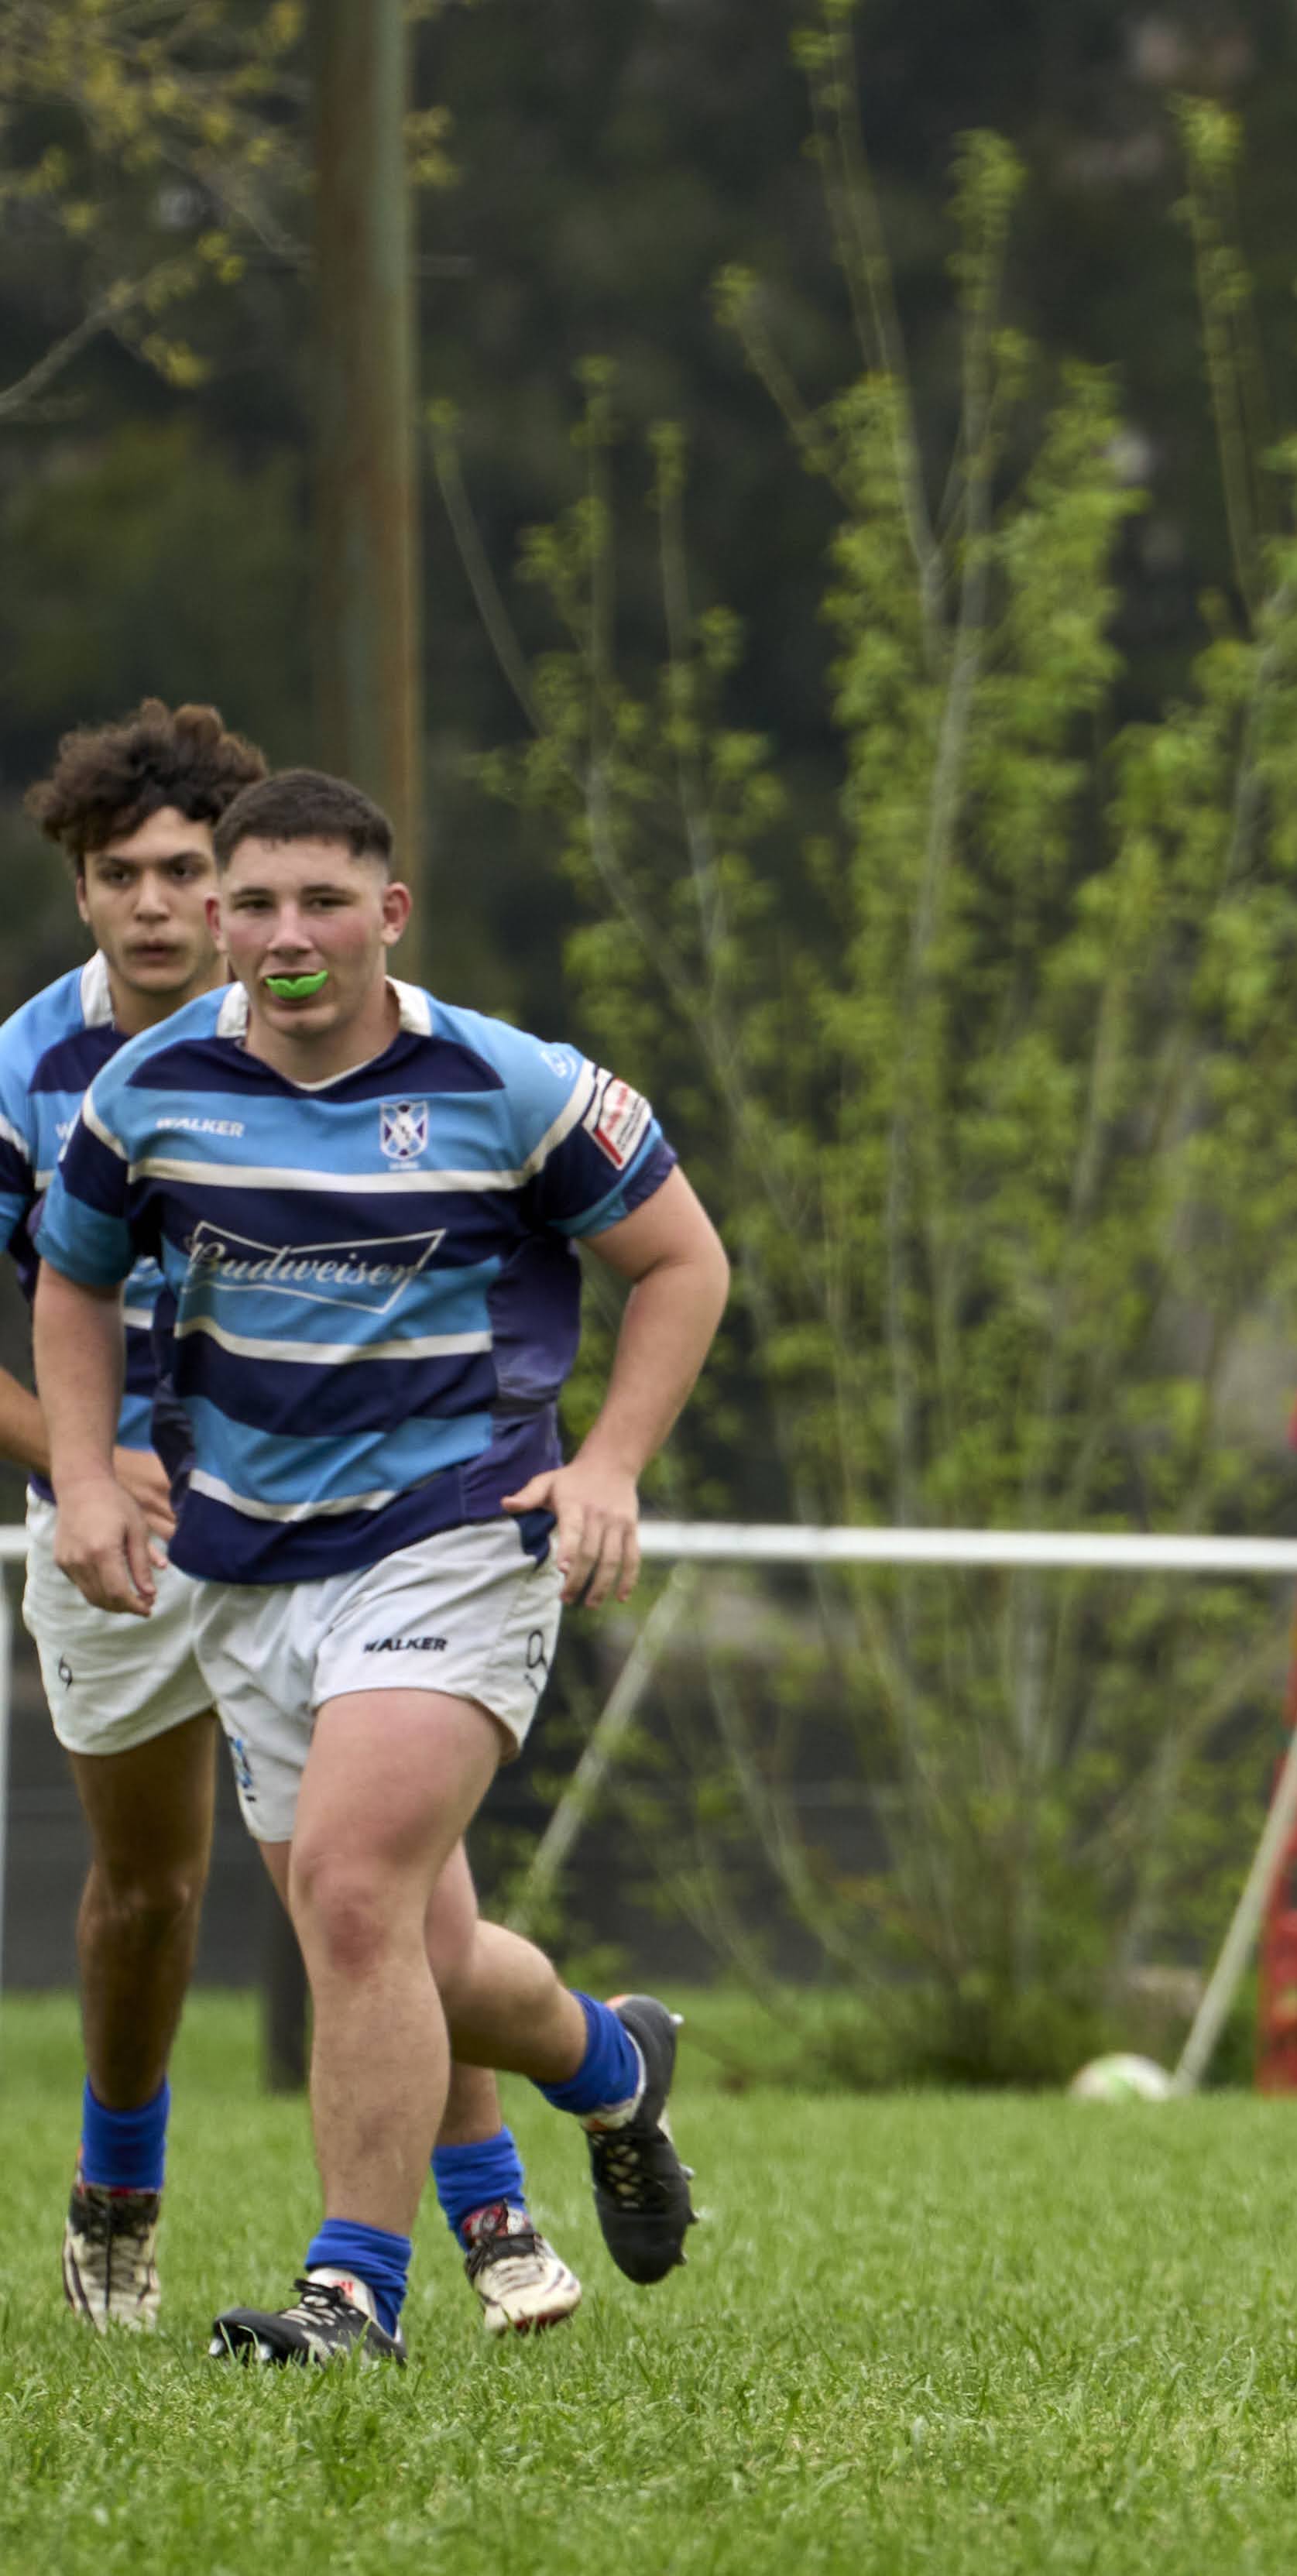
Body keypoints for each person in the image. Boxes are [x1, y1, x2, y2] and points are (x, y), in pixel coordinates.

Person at [34, 769, 732, 2365]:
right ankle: (611, 2067)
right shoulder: (144, 1091)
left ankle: (353, 2292)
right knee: (411, 1953)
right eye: (259, 903)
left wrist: (610, 1461)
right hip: (241, 1569)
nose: (289, 935)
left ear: (387, 916)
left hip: (455, 1538)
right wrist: (81, 1470)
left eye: (324, 903)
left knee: (352, 1888)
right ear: (220, 921)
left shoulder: (511, 1081)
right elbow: (72, 1286)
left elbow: (683, 1257)